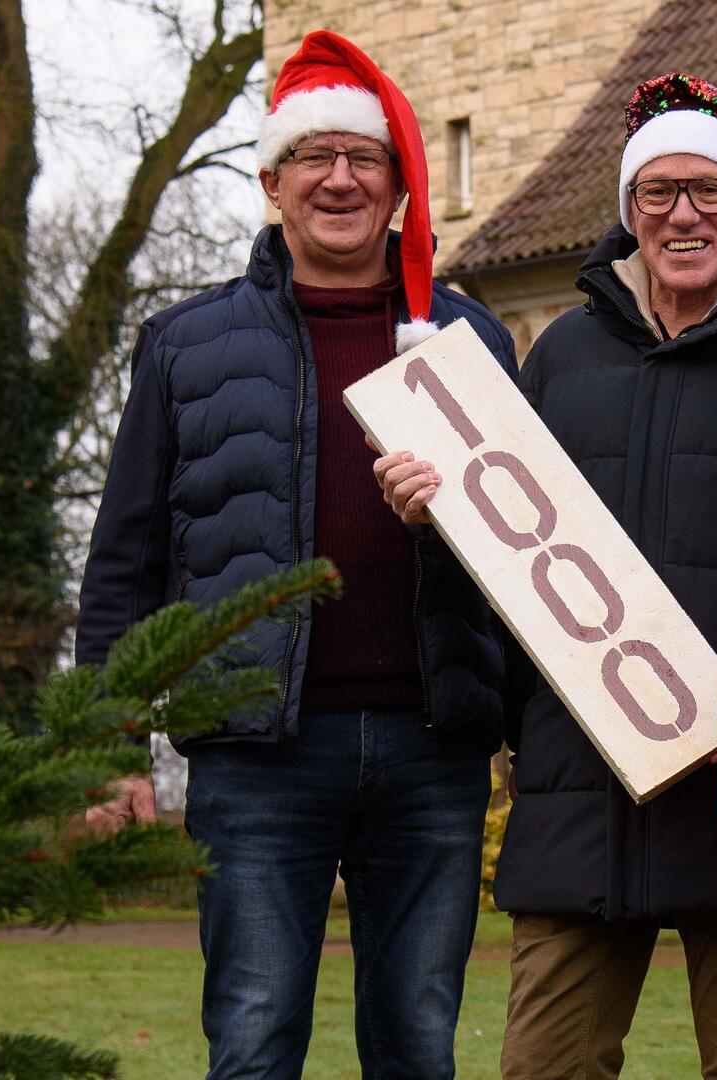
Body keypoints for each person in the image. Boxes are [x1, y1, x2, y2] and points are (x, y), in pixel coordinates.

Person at [375, 74, 717, 1079]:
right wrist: (435, 522)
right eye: (658, 193)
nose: (682, 214)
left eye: (708, 191)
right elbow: (510, 572)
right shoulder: (562, 353)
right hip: (580, 792)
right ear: (630, 211)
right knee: (545, 1066)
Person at [76, 30, 518, 1079]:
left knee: (418, 1041)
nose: (340, 178)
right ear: (273, 182)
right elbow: (125, 562)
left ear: (399, 186)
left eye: (364, 159)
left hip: (430, 748)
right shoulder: (185, 345)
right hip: (255, 751)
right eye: (315, 157)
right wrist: (107, 746)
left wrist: (445, 529)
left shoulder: (469, 345)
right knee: (254, 1033)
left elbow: (522, 562)